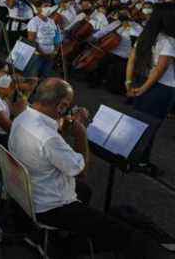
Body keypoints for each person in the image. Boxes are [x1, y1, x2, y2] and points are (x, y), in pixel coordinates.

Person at [9, 78, 147, 258]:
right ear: (61, 106)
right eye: (67, 106)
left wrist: (62, 128)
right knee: (125, 235)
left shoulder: (22, 116)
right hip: (49, 207)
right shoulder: (50, 138)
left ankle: (64, 237)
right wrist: (81, 132)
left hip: (26, 194)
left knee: (85, 191)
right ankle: (70, 246)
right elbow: (81, 172)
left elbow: (47, 147)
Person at [126, 2, 175, 170]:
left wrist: (129, 83)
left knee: (138, 124)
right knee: (149, 126)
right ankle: (138, 160)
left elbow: (132, 59)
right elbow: (160, 70)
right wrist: (145, 88)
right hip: (161, 88)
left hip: (142, 81)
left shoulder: (146, 35)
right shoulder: (168, 41)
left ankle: (135, 157)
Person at [26, 0, 59, 79]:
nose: (48, 8)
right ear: (38, 8)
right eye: (45, 6)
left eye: (49, 6)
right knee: (33, 76)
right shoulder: (34, 22)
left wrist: (55, 51)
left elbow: (56, 37)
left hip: (51, 54)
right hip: (38, 55)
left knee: (45, 76)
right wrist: (43, 54)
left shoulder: (51, 21)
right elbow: (31, 41)